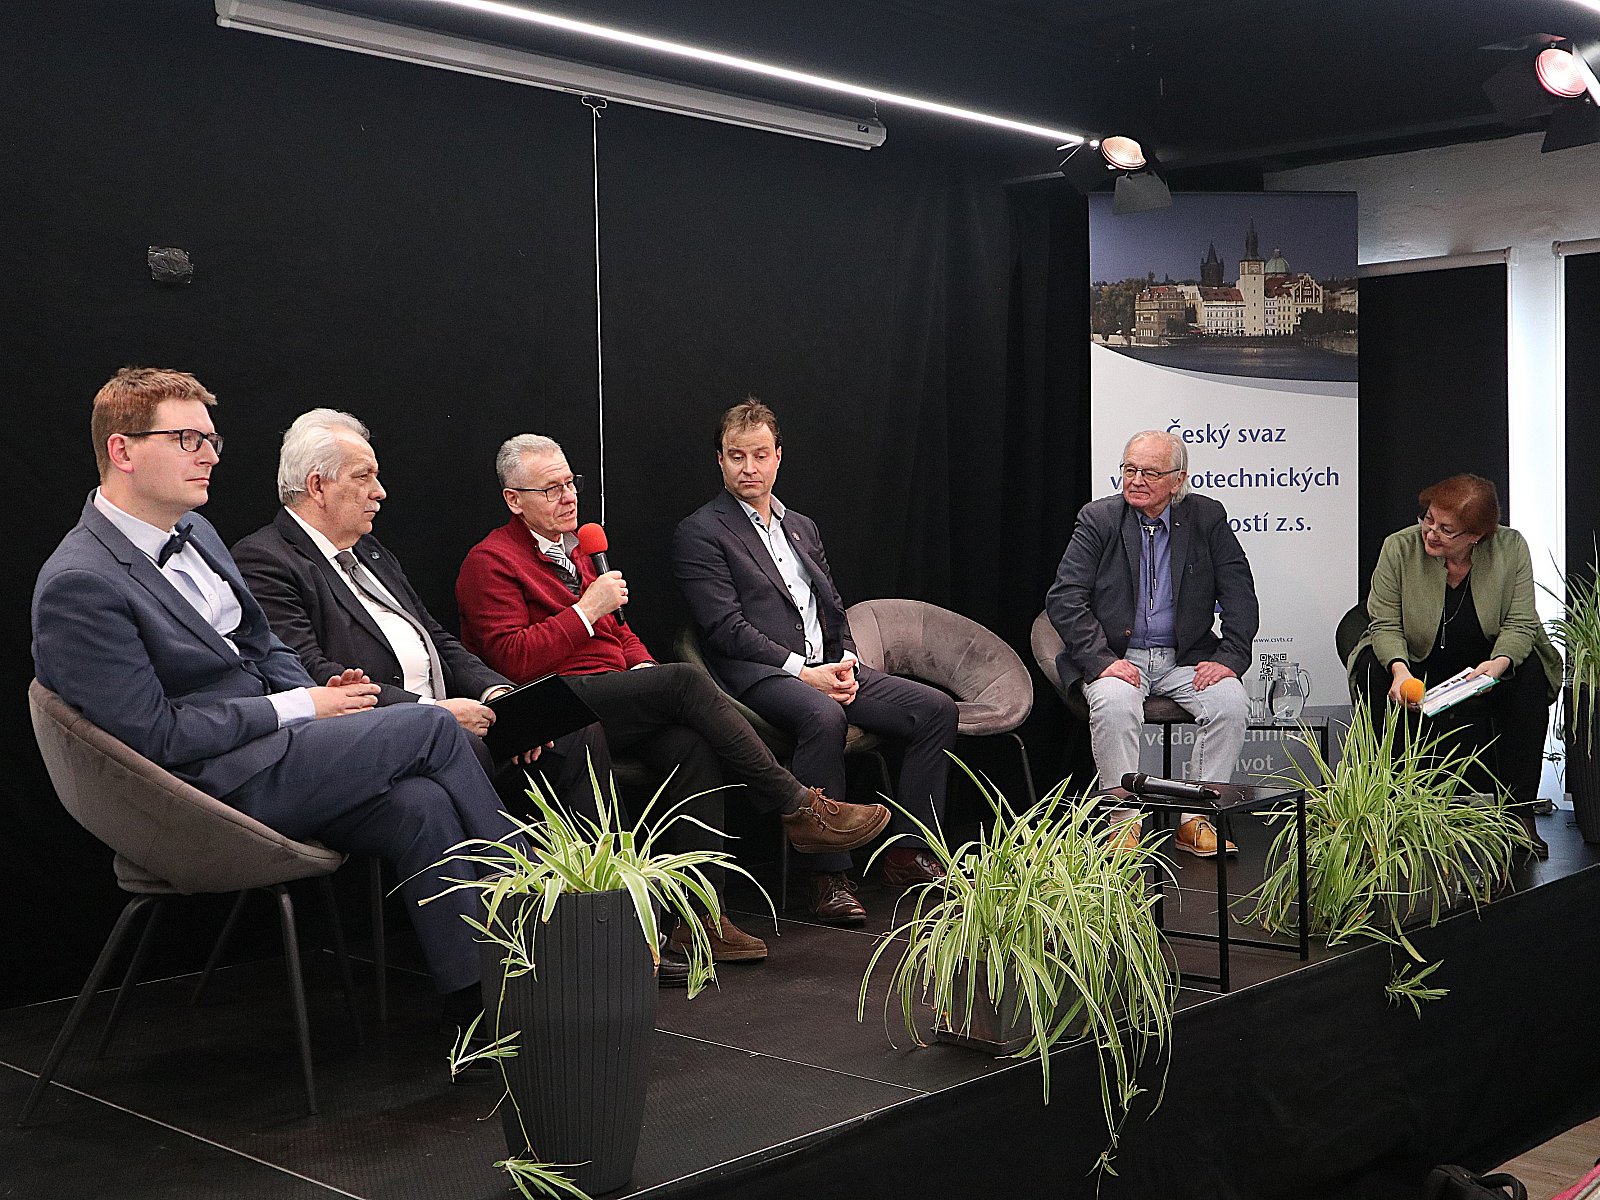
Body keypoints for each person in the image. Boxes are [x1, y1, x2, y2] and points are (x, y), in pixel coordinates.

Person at [31, 367, 510, 1038]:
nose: (210, 455)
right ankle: (547, 921)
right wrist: (299, 708)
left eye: (211, 439)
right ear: (123, 451)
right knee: (432, 729)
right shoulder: (80, 582)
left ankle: (484, 1009)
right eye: (188, 439)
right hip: (203, 790)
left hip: (276, 751)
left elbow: (263, 642)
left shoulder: (197, 533)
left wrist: (309, 693)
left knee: (422, 804)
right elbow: (155, 736)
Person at [455, 433, 890, 961]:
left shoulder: (579, 550)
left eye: (570, 483)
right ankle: (796, 805)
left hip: (612, 695)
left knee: (691, 745)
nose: (568, 497)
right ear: (513, 499)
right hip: (553, 702)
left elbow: (620, 632)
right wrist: (585, 611)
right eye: (551, 489)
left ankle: (699, 918)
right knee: (683, 681)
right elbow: (510, 658)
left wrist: (642, 670)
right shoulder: (490, 562)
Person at [231, 408, 610, 817]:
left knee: (571, 731)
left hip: (454, 716)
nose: (379, 492)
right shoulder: (266, 560)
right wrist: (432, 713)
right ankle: (507, 856)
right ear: (317, 486)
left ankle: (603, 857)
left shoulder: (371, 552)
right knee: (462, 745)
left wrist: (498, 694)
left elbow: (436, 636)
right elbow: (308, 671)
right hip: (382, 733)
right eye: (363, 477)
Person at [671, 398, 958, 924]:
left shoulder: (801, 525)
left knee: (936, 710)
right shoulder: (701, 532)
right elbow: (724, 629)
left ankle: (906, 853)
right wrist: (804, 673)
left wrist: (845, 657)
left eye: (760, 455)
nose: (749, 468)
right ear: (720, 460)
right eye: (737, 456)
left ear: (778, 456)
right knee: (823, 715)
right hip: (758, 675)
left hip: (826, 664)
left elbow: (831, 605)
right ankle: (826, 878)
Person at [1045, 428, 1258, 854]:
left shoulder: (1206, 518)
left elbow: (1239, 593)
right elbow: (1065, 597)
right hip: (1118, 655)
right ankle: (1124, 824)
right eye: (1130, 470)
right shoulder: (1099, 519)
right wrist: (1100, 660)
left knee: (1231, 703)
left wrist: (1230, 657)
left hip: (1185, 657)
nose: (1137, 480)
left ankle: (1195, 820)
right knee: (1114, 703)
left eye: (1150, 473)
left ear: (1178, 480)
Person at [1346, 473, 1561, 856]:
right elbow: (1384, 623)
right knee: (1371, 669)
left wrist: (1498, 664)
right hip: (1415, 662)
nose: (1431, 533)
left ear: (1476, 535)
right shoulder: (1399, 548)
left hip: (1484, 666)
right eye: (1428, 519)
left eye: (1446, 529)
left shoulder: (1511, 548)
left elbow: (1520, 623)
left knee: (1529, 673)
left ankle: (1519, 814)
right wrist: (1399, 669)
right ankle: (1386, 811)